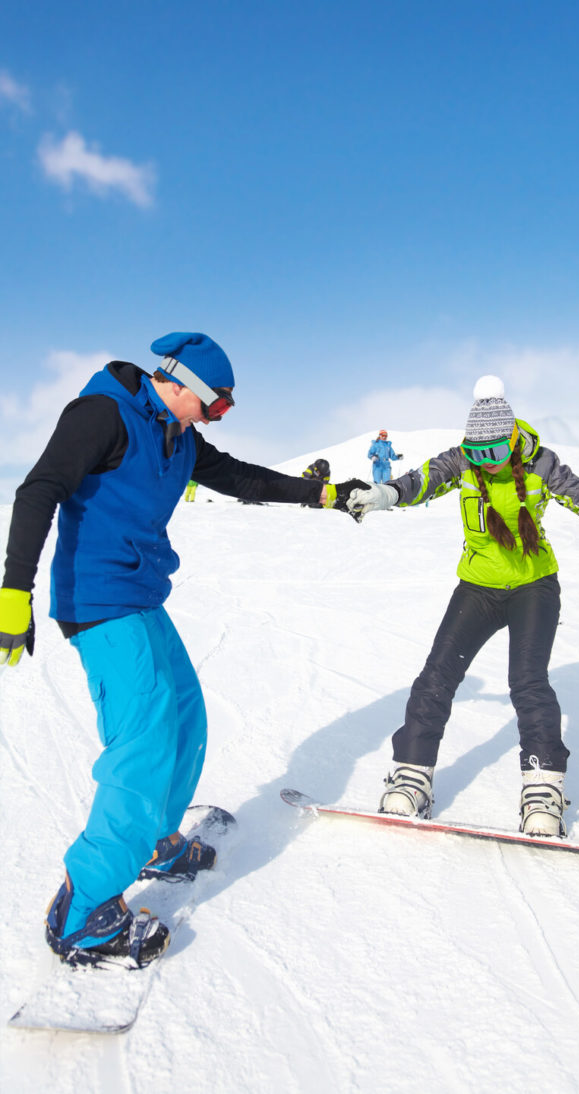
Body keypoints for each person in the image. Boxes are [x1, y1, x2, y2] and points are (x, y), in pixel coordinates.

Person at [0, 331, 364, 969]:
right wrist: (12, 594)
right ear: (181, 386)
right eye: (216, 405)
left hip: (140, 595)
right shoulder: (103, 416)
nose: (219, 416)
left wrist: (325, 495)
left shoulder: (177, 435)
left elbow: (240, 477)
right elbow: (39, 490)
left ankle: (156, 841)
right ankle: (83, 908)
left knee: (186, 715)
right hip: (97, 600)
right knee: (141, 740)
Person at [344, 377, 579, 837]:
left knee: (528, 684)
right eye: (476, 455)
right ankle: (412, 773)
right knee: (436, 677)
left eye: (491, 455)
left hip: (534, 588)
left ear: (511, 442)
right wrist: (386, 494)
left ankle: (543, 788)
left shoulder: (542, 465)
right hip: (477, 587)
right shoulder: (464, 461)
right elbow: (422, 480)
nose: (483, 465)